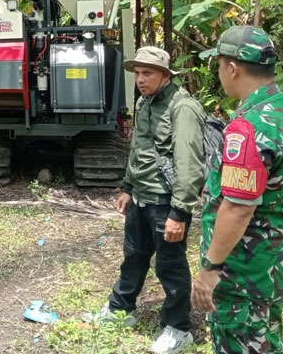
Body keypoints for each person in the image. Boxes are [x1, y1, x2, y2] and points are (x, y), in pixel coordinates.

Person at [85, 46, 205, 354]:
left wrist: (179, 212)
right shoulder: (144, 103)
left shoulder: (183, 108)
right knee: (134, 255)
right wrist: (127, 187)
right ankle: (121, 309)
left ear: (165, 75)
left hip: (166, 201)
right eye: (137, 73)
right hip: (141, 196)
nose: (140, 79)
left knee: (170, 265)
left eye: (147, 73)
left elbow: (189, 164)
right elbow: (138, 148)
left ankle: (178, 328)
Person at [193, 26, 283, 354]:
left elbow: (238, 208)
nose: (219, 72)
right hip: (272, 266)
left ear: (232, 68)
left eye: (218, 64)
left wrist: (209, 271)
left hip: (241, 276)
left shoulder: (250, 127)